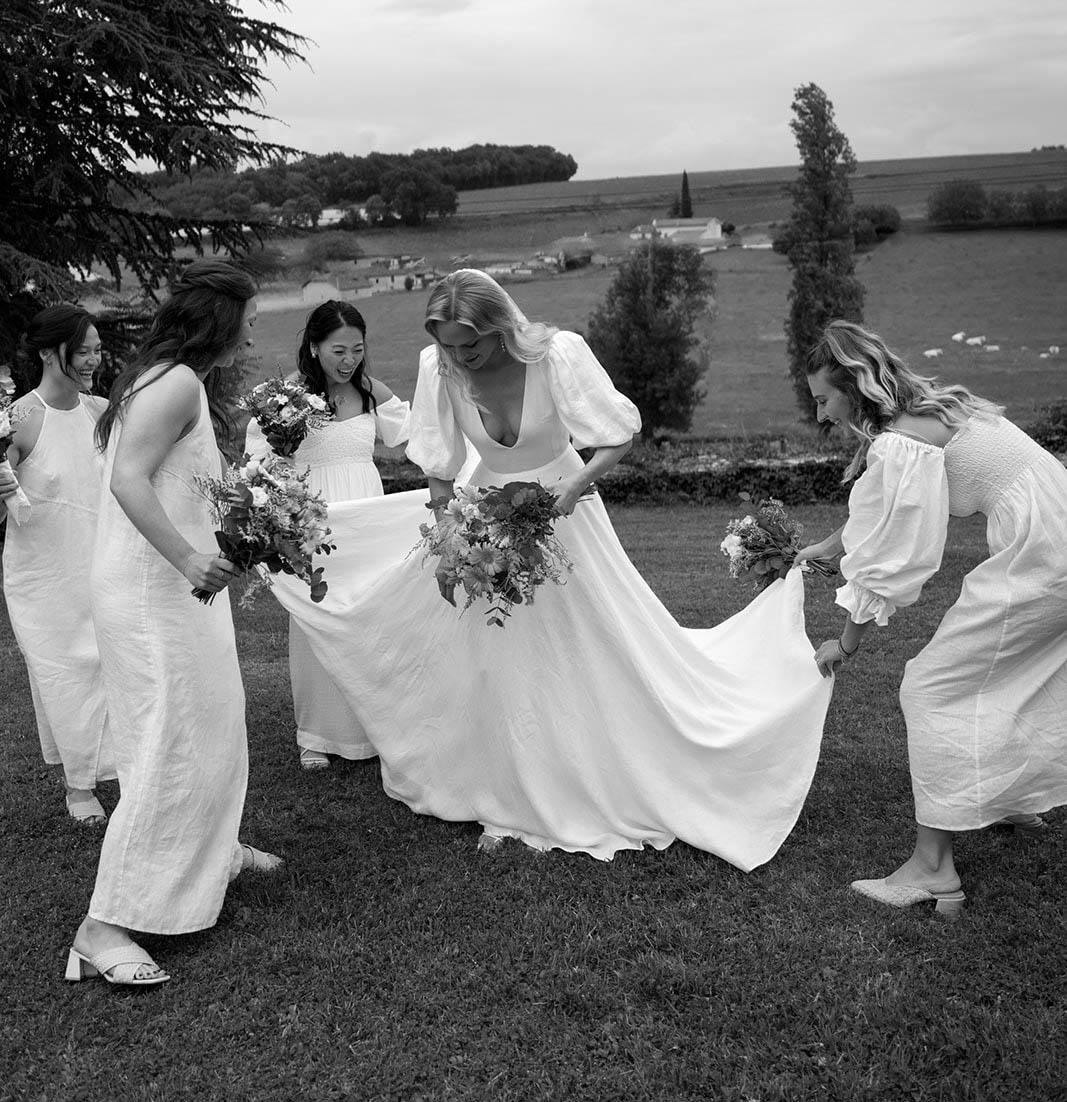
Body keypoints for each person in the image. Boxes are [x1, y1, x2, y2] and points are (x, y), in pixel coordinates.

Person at [264, 270, 832, 866]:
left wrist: (575, 484)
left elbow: (617, 436)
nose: (462, 357)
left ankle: (584, 767)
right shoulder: (440, 367)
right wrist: (449, 523)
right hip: (485, 516)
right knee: (496, 656)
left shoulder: (556, 354)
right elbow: (439, 461)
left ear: (500, 326)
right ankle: (503, 791)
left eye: (472, 345)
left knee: (585, 649)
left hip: (565, 514)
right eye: (451, 346)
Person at [797, 320, 1067, 916]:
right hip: (1060, 538)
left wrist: (848, 641)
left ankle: (934, 870)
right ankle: (1017, 801)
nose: (820, 415)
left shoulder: (901, 438)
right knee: (1013, 674)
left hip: (1046, 556)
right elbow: (888, 509)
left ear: (854, 383)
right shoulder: (934, 413)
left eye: (822, 399)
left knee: (931, 686)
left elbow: (892, 550)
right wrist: (830, 545)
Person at [66, 261, 279, 990]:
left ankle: (211, 848)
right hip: (158, 591)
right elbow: (128, 477)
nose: (254, 329)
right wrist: (190, 558)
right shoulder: (178, 381)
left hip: (166, 587)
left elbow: (175, 480)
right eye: (249, 317)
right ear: (223, 318)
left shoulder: (164, 377)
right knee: (168, 735)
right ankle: (104, 924)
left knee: (208, 721)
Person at [245, 301, 410, 771]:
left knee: (371, 618)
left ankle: (374, 728)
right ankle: (317, 734)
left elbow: (420, 439)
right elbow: (259, 464)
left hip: (366, 517)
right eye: (339, 350)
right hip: (314, 519)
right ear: (314, 348)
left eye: (357, 349)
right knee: (317, 618)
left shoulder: (371, 393)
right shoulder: (286, 400)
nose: (349, 360)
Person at [0, 306, 115, 824]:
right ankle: (79, 784)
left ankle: (122, 761)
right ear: (49, 353)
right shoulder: (17, 420)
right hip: (44, 573)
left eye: (96, 348)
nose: (94, 359)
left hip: (102, 559)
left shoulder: (102, 411)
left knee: (114, 664)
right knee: (66, 671)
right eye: (83, 349)